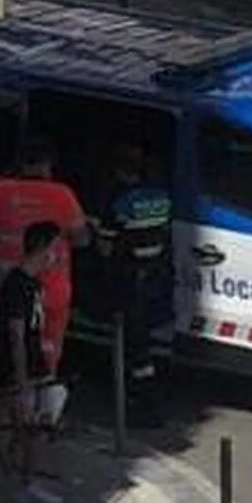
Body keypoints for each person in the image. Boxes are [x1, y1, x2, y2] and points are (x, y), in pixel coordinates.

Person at [0, 135, 89, 379]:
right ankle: (41, 398)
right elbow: (82, 239)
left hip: (7, 285)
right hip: (51, 287)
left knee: (6, 346)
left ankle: (8, 395)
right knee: (47, 350)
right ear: (46, 165)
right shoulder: (63, 195)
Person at [0, 221, 64, 503]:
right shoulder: (18, 286)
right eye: (55, 248)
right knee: (25, 426)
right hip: (18, 368)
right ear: (42, 249)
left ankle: (17, 478)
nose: (58, 255)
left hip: (30, 364)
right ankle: (18, 483)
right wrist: (23, 380)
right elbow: (16, 334)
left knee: (27, 426)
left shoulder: (32, 283)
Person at [94, 144, 173, 428]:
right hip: (156, 278)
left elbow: (105, 245)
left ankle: (142, 401)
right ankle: (140, 391)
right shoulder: (161, 196)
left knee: (133, 344)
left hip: (128, 279)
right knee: (143, 339)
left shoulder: (119, 201)